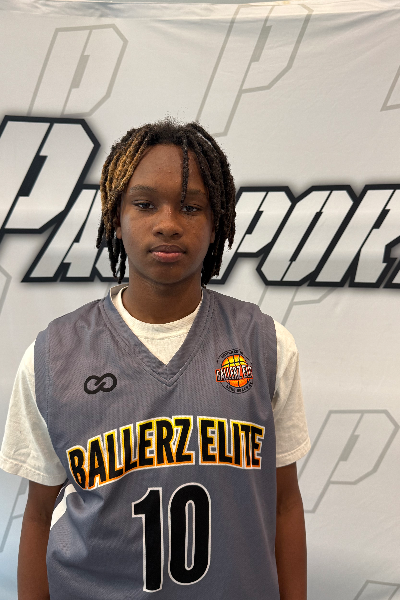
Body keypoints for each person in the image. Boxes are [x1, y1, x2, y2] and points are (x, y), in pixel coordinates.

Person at [0, 119, 310, 600]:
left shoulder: (267, 344)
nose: (168, 223)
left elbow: (285, 504)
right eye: (145, 204)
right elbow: (39, 515)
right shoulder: (52, 356)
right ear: (115, 216)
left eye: (191, 207)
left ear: (217, 223)